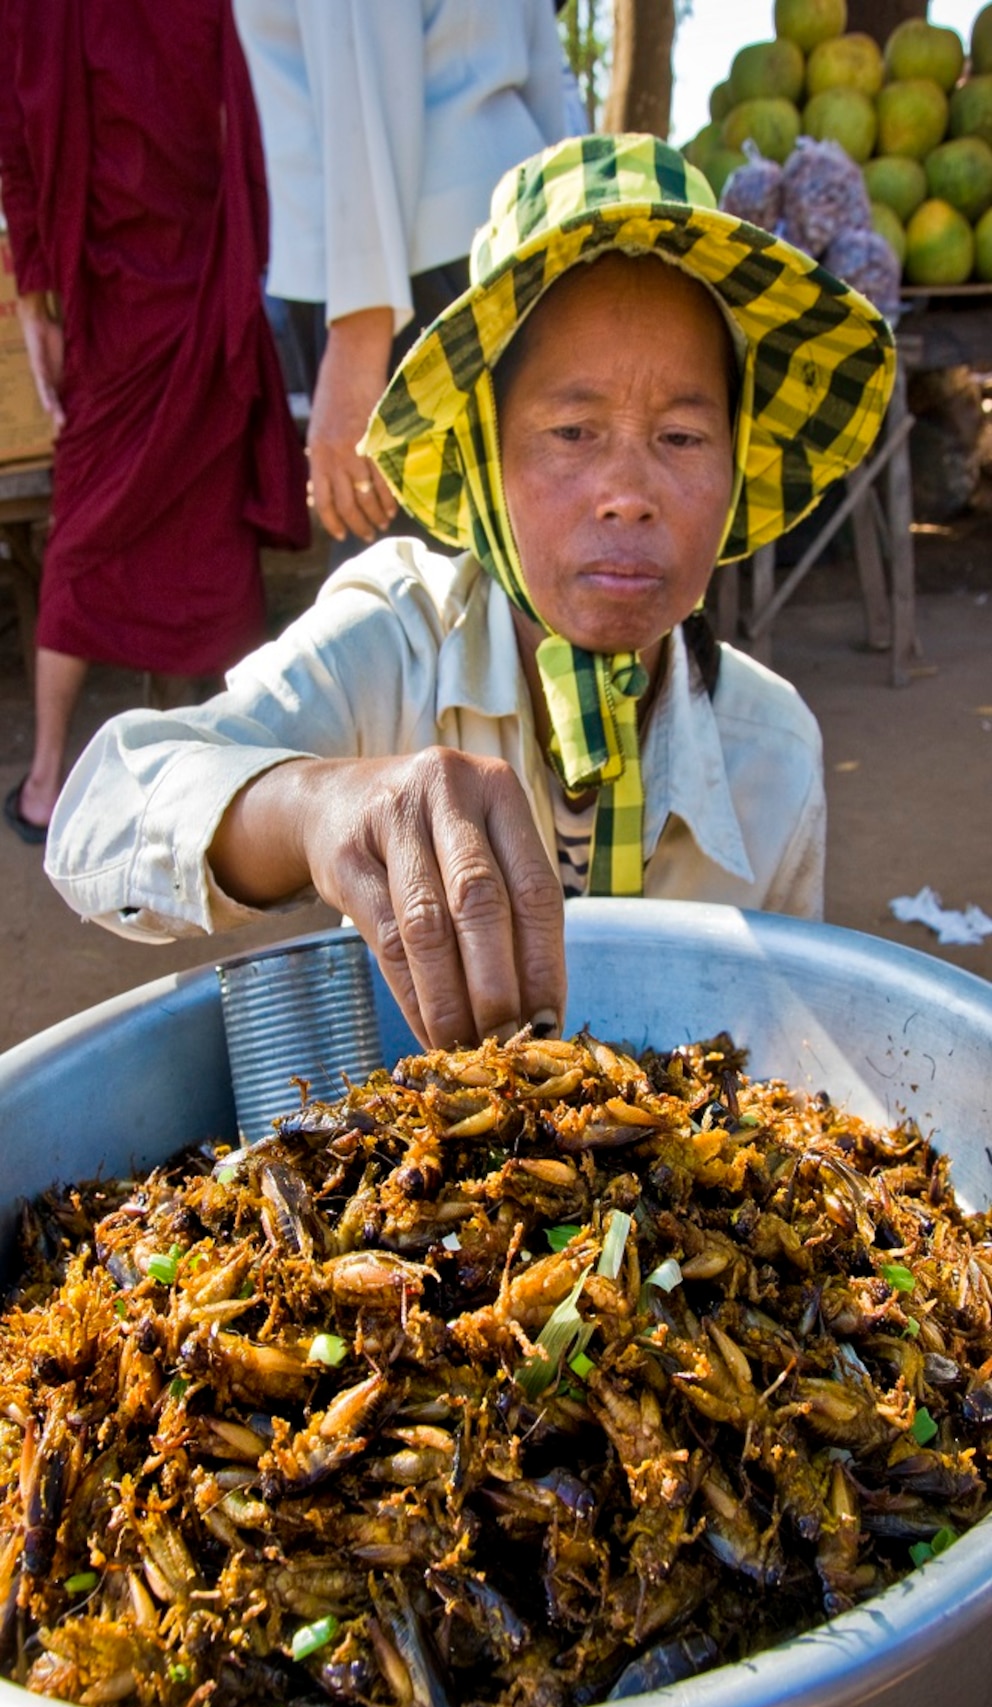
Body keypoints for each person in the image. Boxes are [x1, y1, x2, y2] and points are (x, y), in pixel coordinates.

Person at [45, 135, 896, 1052]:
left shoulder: (776, 751)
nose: (629, 492)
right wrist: (320, 805)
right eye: (572, 430)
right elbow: (101, 811)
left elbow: (784, 1051)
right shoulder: (396, 643)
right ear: (485, 457)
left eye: (683, 438)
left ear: (737, 464)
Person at [0, 0, 310, 843]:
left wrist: (36, 294)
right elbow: (247, 127)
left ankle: (43, 783)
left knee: (90, 530)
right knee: (203, 540)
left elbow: (19, 149)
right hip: (190, 293)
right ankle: (241, 777)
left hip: (117, 302)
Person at [231, 0, 568, 549]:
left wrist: (359, 340)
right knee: (515, 580)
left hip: (402, 274)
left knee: (409, 607)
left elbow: (357, 61)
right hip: (509, 240)